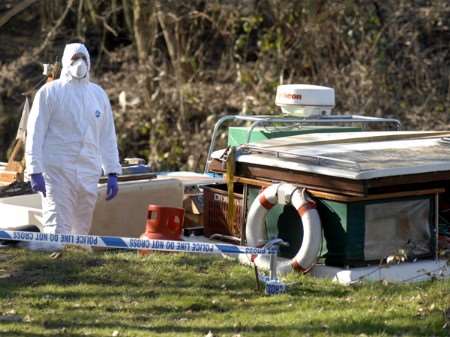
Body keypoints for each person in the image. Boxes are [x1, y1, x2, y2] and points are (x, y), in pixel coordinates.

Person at [25, 43, 122, 250]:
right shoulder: (50, 92)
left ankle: (75, 268)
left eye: (83, 58)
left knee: (82, 228)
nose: (80, 63)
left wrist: (112, 171)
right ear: (65, 61)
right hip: (57, 170)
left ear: (89, 62)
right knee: (57, 225)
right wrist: (34, 170)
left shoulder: (98, 94)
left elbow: (107, 136)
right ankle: (51, 267)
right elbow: (35, 133)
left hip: (88, 171)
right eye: (75, 58)